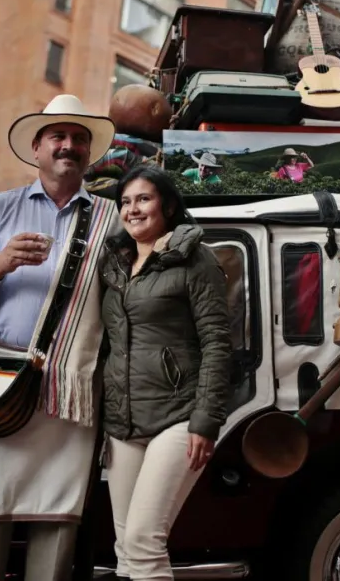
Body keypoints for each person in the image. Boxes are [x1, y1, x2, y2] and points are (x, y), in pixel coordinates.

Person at [0, 94, 120, 581]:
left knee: (58, 517)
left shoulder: (113, 218)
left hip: (73, 382)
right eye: (57, 136)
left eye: (79, 138)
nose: (69, 145)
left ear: (89, 152)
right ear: (36, 148)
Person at [98, 165, 232, 580]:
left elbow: (217, 342)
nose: (133, 209)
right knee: (126, 548)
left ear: (168, 205)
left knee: (143, 541)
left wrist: (205, 420)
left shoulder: (195, 259)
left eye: (144, 199)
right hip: (123, 421)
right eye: (125, 202)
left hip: (178, 417)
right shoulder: (115, 264)